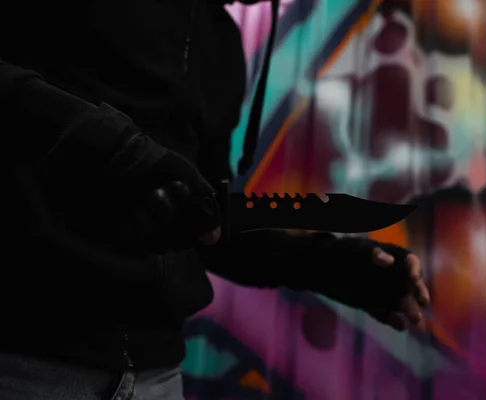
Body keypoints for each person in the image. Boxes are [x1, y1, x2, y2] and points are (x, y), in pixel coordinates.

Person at [0, 0, 430, 399]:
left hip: (157, 377)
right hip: (25, 362)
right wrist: (112, 147)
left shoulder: (220, 44)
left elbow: (207, 225)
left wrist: (341, 268)